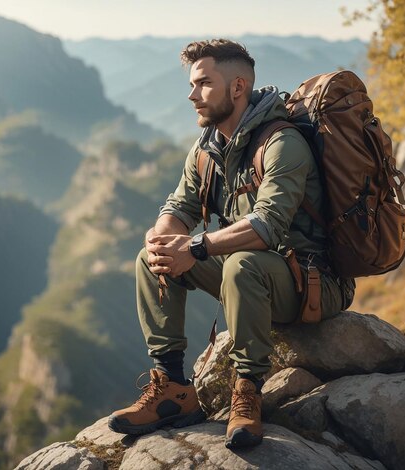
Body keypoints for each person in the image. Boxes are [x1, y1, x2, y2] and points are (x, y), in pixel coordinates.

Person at [108, 39, 354, 449]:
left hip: (312, 282)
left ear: (237, 87)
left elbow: (268, 226)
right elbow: (179, 205)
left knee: (243, 264)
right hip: (255, 275)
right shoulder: (207, 149)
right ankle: (172, 387)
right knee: (151, 259)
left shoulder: (282, 144)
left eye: (204, 83)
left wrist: (195, 248)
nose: (192, 95)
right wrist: (164, 239)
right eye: (191, 84)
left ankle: (247, 391)